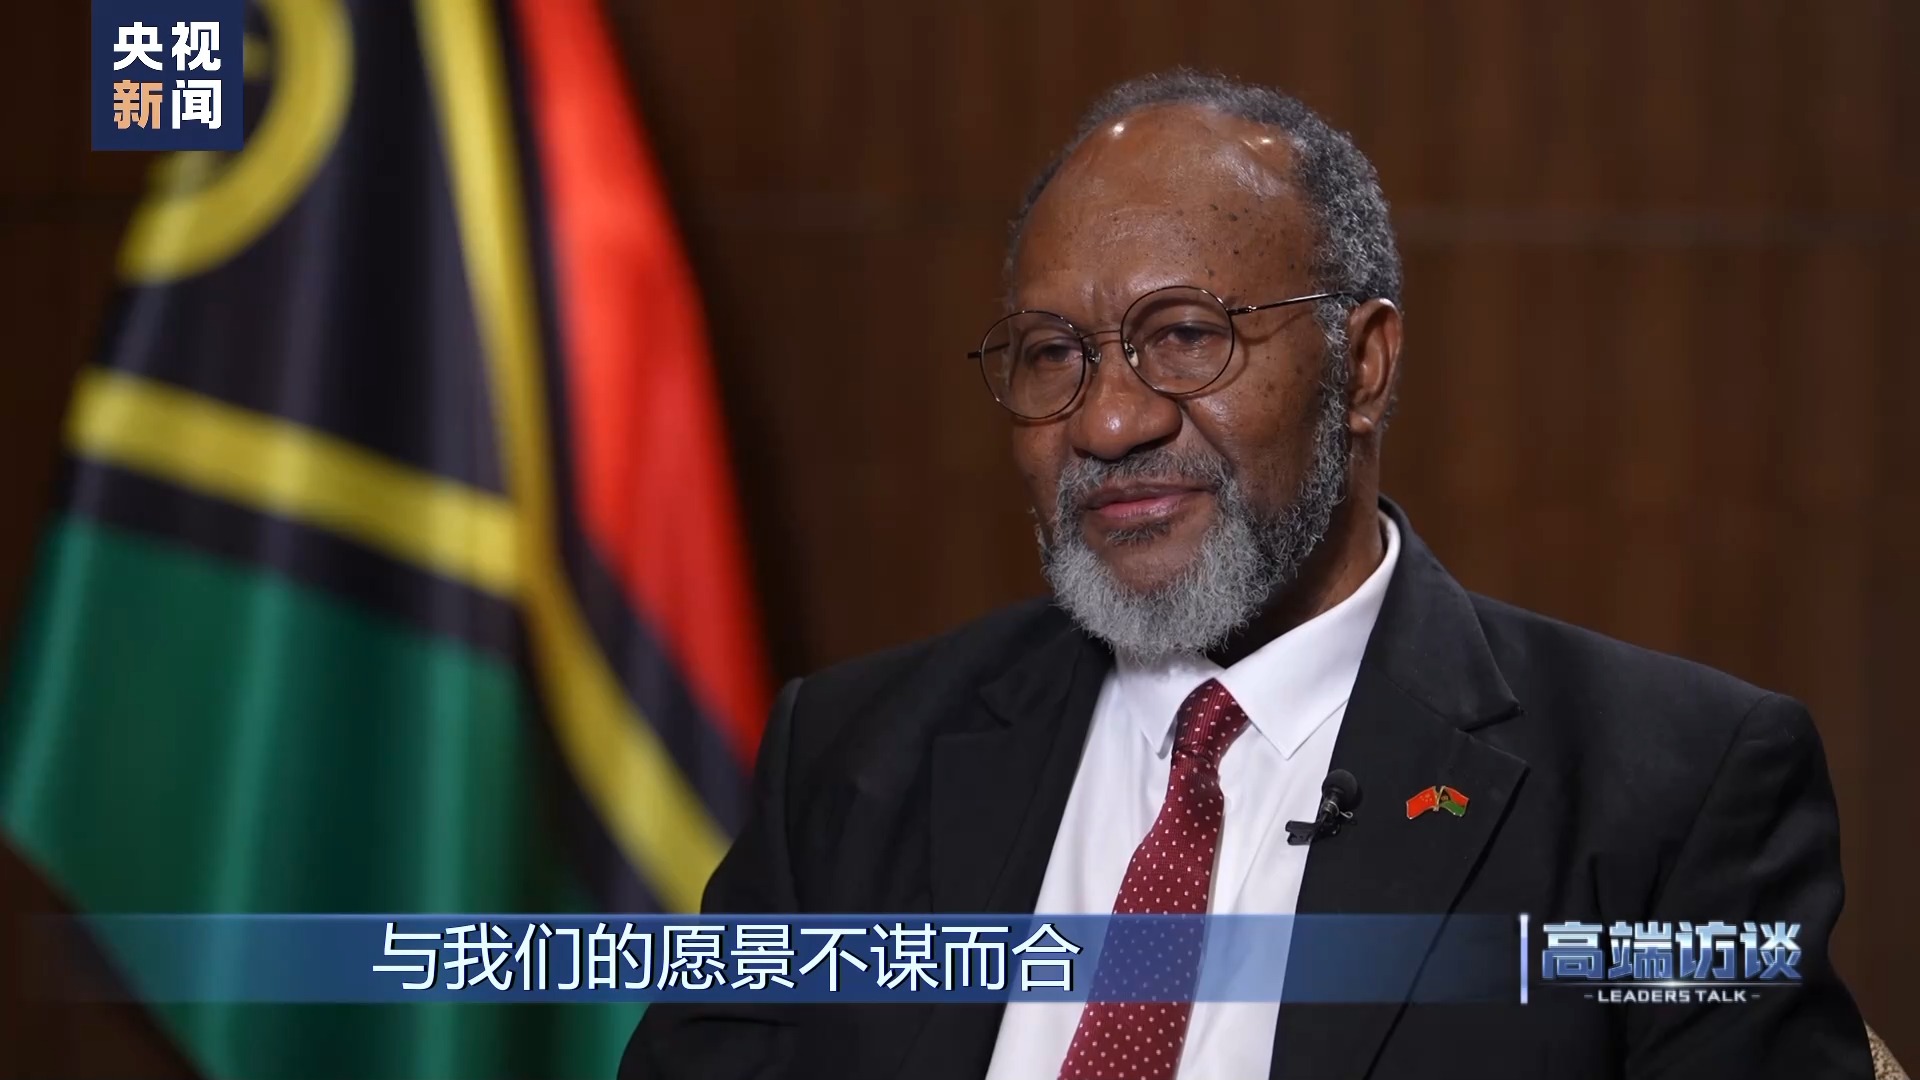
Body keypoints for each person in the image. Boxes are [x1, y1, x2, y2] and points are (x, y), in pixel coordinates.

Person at [621, 71, 1871, 1080]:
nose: (1109, 421)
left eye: (1184, 336)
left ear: (1362, 365)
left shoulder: (1667, 795)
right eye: (1053, 354)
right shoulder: (849, 761)